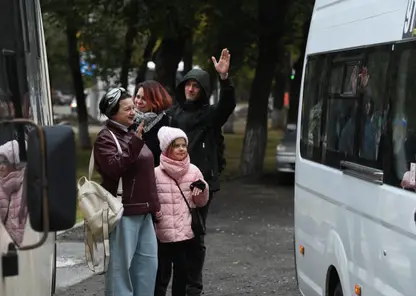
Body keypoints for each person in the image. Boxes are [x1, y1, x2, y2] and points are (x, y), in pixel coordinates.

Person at [169, 48, 236, 295]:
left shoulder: (209, 115)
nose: (191, 89)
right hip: (171, 184)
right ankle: (177, 287)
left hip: (199, 185)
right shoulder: (171, 115)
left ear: (203, 89)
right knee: (173, 237)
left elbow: (228, 105)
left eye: (196, 86)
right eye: (188, 84)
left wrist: (225, 78)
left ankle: (193, 288)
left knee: (195, 237)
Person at [94, 87, 160, 296]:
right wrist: (136, 141)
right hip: (123, 212)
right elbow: (114, 169)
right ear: (113, 112)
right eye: (127, 109)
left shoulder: (132, 134)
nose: (133, 112)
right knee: (120, 272)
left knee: (147, 269)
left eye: (133, 107)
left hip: (144, 211)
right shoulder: (106, 138)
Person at [153, 126, 209, 296]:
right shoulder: (155, 173)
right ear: (166, 148)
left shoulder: (193, 171)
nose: (181, 149)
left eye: (183, 145)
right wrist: (157, 213)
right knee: (160, 277)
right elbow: (151, 199)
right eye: (176, 145)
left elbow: (200, 202)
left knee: (182, 276)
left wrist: (202, 189)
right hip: (163, 234)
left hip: (186, 234)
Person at [133, 80, 173, 166]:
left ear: (155, 101)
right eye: (137, 96)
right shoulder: (130, 121)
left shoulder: (168, 124)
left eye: (144, 99)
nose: (138, 101)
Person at [0, 140, 26, 246]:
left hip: (26, 251)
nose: (1, 166)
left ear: (15, 163)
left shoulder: (28, 187)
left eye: (5, 162)